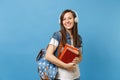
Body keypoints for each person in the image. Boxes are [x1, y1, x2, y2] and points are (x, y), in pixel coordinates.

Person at [45, 9, 82, 80]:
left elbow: (80, 56)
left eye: (69, 18)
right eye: (64, 19)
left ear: (75, 20)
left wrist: (78, 59)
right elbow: (48, 55)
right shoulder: (58, 35)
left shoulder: (78, 37)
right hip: (62, 77)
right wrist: (66, 66)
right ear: (61, 22)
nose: (67, 21)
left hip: (76, 76)